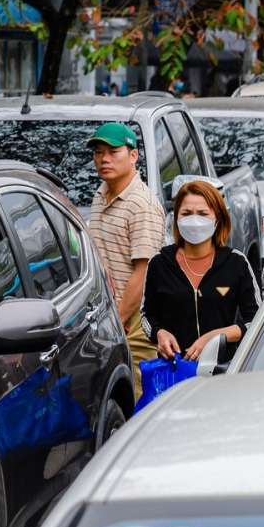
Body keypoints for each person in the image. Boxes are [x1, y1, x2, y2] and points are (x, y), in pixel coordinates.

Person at [141, 180, 261, 363]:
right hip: (176, 371)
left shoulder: (236, 263)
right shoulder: (159, 263)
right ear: (177, 218)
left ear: (217, 219)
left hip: (224, 370)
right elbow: (148, 316)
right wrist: (160, 333)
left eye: (203, 214)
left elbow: (256, 319)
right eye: (186, 213)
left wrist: (216, 337)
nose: (194, 220)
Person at [88, 123, 166, 399]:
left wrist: (118, 319)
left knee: (135, 396)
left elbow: (143, 273)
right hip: (106, 314)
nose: (104, 159)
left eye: (113, 151)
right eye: (98, 152)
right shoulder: (102, 193)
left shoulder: (140, 204)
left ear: (133, 156)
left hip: (131, 319)